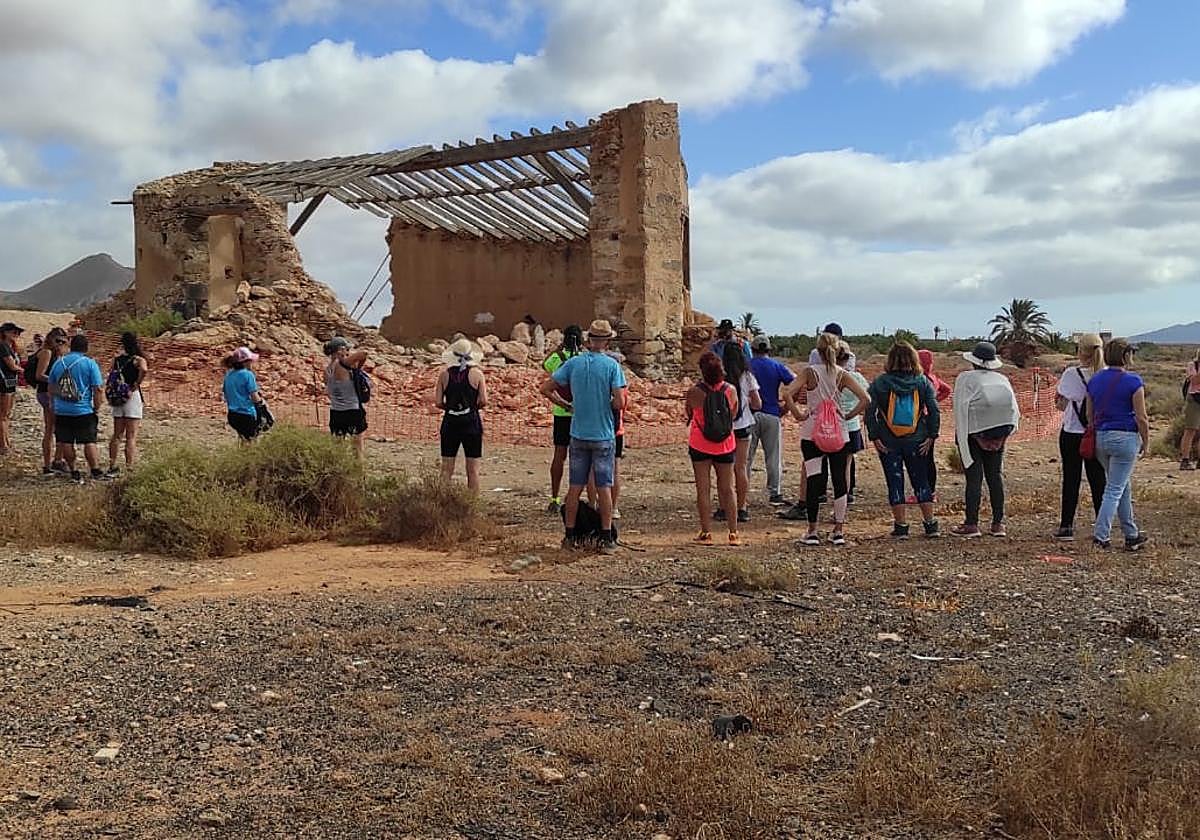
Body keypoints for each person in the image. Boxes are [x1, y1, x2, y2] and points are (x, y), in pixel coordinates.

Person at [541, 319, 627, 553]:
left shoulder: (574, 363)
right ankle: (607, 536)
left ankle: (569, 535)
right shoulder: (612, 366)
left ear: (589, 340)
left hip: (578, 432)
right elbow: (619, 401)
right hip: (603, 434)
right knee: (603, 488)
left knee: (575, 487)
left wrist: (568, 406)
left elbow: (546, 388)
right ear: (607, 340)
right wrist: (605, 403)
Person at [783, 332, 868, 546]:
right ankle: (838, 530)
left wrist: (798, 413)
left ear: (818, 351)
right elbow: (865, 398)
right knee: (840, 479)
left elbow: (787, 393)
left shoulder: (810, 372)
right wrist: (848, 415)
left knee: (814, 479)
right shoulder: (842, 374)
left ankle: (812, 531)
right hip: (838, 432)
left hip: (812, 432)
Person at [865, 341, 941, 539]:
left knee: (894, 480)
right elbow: (934, 410)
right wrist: (932, 436)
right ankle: (930, 524)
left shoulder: (880, 383)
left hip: (888, 440)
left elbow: (869, 410)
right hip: (917, 439)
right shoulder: (922, 382)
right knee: (921, 480)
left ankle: (901, 527)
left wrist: (874, 436)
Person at [950, 342, 1020, 538]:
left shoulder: (965, 378)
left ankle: (972, 523)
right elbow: (1014, 409)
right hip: (999, 432)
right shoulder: (1002, 379)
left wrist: (961, 436)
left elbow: (959, 407)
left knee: (974, 478)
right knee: (995, 476)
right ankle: (998, 523)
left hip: (973, 433)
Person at [1087, 338, 1149, 551]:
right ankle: (1100, 536)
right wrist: (1146, 442)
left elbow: (1089, 414)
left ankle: (1131, 534)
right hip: (1125, 438)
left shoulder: (1095, 380)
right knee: (1114, 489)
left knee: (1121, 486)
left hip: (1101, 438)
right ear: (1125, 356)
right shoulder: (1133, 381)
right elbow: (1142, 417)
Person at [1054, 333, 1106, 539]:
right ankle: (1102, 525)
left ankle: (1066, 525)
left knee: (1071, 478)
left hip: (1072, 432)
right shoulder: (1105, 374)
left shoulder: (1071, 374)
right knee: (1098, 480)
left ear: (1080, 351)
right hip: (1097, 433)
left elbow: (1061, 402)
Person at [685, 351, 740, 546]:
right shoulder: (731, 390)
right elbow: (733, 414)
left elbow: (689, 413)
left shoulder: (694, 392)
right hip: (725, 444)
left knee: (703, 489)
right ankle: (733, 533)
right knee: (727, 489)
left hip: (700, 444)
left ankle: (706, 531)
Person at [46, 334, 105, 483]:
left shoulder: (59, 363)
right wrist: (96, 407)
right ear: (86, 348)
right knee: (89, 441)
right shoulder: (90, 364)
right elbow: (97, 388)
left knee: (66, 441)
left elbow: (51, 387)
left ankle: (73, 470)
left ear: (71, 346)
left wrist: (53, 405)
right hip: (83, 409)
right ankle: (95, 470)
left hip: (62, 409)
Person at [714, 340, 761, 524]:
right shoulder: (747, 376)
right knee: (741, 468)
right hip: (743, 426)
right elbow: (758, 403)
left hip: (724, 428)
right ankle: (742, 507)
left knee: (723, 470)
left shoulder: (720, 377)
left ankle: (724, 507)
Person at [748, 336, 795, 506]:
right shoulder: (776, 366)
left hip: (750, 415)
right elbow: (796, 382)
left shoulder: (748, 365)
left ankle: (742, 491)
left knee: (746, 457)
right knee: (773, 456)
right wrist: (787, 406)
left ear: (753, 349)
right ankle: (775, 492)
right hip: (772, 413)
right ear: (769, 349)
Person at [436, 338, 487, 492]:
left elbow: (438, 402)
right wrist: (472, 407)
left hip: (450, 422)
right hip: (471, 423)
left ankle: (442, 503)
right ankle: (472, 506)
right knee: (473, 469)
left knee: (446, 468)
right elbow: (484, 400)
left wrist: (449, 407)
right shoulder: (477, 374)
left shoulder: (444, 375)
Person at [543, 325, 583, 512]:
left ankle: (555, 496)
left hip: (561, 412)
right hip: (580, 411)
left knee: (559, 455)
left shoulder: (556, 358)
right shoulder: (583, 358)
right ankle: (574, 496)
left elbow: (546, 367)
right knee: (580, 456)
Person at [107, 331, 148, 474]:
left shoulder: (117, 360)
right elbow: (144, 369)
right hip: (132, 396)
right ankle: (129, 467)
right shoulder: (138, 359)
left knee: (117, 434)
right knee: (131, 436)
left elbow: (110, 373)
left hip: (118, 397)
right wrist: (137, 383)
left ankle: (112, 465)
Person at [30, 327, 68, 475]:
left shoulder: (55, 353)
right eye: (58, 340)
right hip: (47, 392)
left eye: (63, 341)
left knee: (54, 428)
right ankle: (50, 463)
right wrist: (56, 381)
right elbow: (40, 375)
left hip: (50, 392)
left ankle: (55, 461)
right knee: (51, 429)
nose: (60, 343)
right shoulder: (46, 352)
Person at [324, 336, 369, 459]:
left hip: (336, 412)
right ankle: (359, 476)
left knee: (338, 448)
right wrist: (358, 368)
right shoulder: (343, 364)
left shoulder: (327, 370)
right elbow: (364, 353)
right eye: (346, 349)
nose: (348, 352)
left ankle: (339, 475)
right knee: (357, 448)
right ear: (340, 350)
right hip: (353, 411)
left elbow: (328, 392)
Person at [917, 349, 952, 500]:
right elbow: (947, 390)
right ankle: (930, 492)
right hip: (931, 419)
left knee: (922, 458)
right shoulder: (933, 378)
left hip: (922, 421)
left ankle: (926, 492)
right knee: (928, 457)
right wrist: (936, 401)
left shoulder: (920, 379)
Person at [837, 341, 869, 503]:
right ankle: (844, 498)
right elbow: (867, 398)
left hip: (828, 426)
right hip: (850, 426)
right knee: (846, 465)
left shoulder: (823, 374)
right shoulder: (855, 377)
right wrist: (851, 414)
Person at [222, 346, 265, 441]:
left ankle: (240, 455)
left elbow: (226, 393)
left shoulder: (229, 374)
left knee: (243, 439)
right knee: (251, 442)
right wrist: (262, 405)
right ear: (245, 362)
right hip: (246, 415)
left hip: (233, 415)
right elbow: (254, 396)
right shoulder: (248, 375)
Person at [0, 322, 23, 455]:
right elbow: (12, 366)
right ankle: (3, 445)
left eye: (17, 332)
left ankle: (6, 443)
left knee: (6, 415)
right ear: (5, 333)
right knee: (3, 416)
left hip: (9, 382)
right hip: (4, 383)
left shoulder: (9, 347)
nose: (16, 334)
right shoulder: (3, 346)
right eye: (14, 332)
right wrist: (24, 371)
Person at [1180, 348, 1200, 470]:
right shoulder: (1192, 366)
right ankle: (1185, 460)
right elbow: (1194, 380)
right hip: (1194, 399)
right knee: (1190, 430)